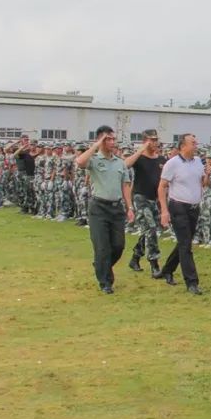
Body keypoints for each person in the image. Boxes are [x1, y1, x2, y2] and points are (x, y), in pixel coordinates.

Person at [75, 126, 134, 294]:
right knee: (102, 247)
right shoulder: (94, 160)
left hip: (116, 208)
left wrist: (130, 207)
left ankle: (101, 265)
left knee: (118, 246)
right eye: (108, 139)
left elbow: (125, 186)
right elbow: (80, 162)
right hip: (99, 208)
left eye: (113, 139)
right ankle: (106, 282)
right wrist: (96, 145)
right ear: (100, 141)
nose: (112, 142)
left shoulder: (119, 162)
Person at [155, 134, 206, 295]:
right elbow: (162, 187)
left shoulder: (198, 161)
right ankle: (192, 282)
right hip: (178, 207)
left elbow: (203, 183)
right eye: (193, 142)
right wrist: (164, 211)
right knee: (186, 245)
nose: (196, 144)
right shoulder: (173, 163)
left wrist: (208, 175)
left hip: (194, 208)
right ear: (183, 146)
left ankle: (167, 270)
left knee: (185, 242)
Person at [124, 129, 166, 276]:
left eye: (156, 139)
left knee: (148, 231)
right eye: (151, 140)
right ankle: (154, 264)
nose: (155, 143)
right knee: (151, 229)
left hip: (154, 199)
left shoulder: (161, 159)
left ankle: (135, 258)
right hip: (140, 198)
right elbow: (125, 165)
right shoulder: (139, 158)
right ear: (145, 141)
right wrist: (140, 150)